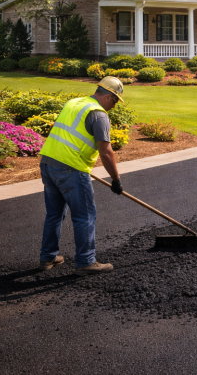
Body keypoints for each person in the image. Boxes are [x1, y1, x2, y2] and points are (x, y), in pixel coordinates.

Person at [37, 76, 126, 275]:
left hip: (48, 163)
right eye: (115, 101)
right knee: (85, 215)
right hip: (71, 169)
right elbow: (106, 152)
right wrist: (116, 180)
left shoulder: (74, 103)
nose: (114, 106)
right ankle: (86, 261)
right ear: (109, 96)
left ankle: (48, 257)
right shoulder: (99, 115)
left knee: (54, 214)